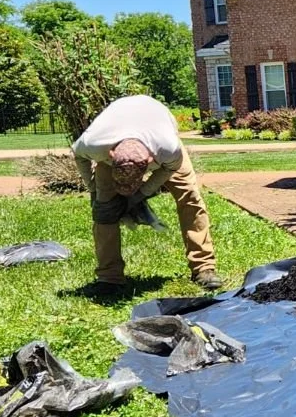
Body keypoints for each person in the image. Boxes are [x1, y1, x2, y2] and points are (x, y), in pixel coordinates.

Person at [73, 94, 221, 290]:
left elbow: (168, 170)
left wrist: (140, 194)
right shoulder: (95, 143)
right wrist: (93, 189)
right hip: (119, 142)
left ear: (151, 161)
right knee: (104, 210)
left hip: (156, 129)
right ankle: (109, 278)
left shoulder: (168, 149)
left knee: (190, 198)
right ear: (110, 155)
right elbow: (77, 155)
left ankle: (203, 268)